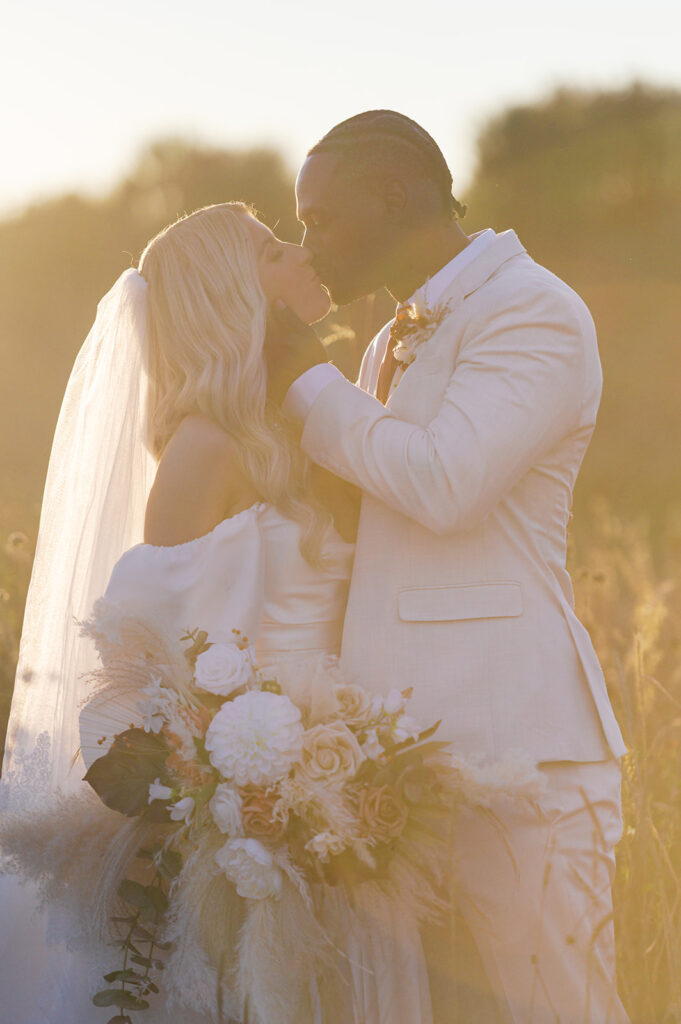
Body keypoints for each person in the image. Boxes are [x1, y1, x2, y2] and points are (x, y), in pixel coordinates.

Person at [0, 203, 434, 1023]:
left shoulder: (307, 421)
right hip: (256, 815)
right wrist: (244, 792)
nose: (305, 252)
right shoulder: (207, 446)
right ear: (236, 292)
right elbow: (157, 661)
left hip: (336, 797)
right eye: (275, 250)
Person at [265, 109, 631, 1023]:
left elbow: (444, 482)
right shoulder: (393, 336)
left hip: (524, 753)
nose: (310, 245)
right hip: (401, 764)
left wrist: (304, 379)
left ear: (394, 196)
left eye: (320, 219)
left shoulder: (535, 309)